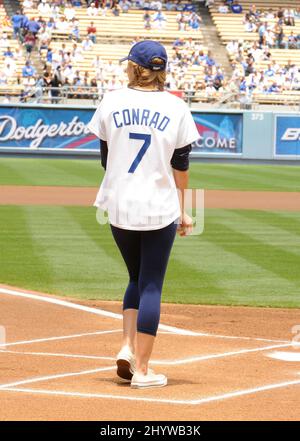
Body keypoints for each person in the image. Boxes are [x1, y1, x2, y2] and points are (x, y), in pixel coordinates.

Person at [88, 40, 199, 389]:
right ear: (161, 70)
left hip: (118, 204)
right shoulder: (176, 107)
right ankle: (144, 369)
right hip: (158, 205)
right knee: (151, 284)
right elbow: (181, 165)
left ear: (134, 67)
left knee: (135, 277)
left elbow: (106, 159)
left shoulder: (111, 100)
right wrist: (185, 210)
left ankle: (127, 347)